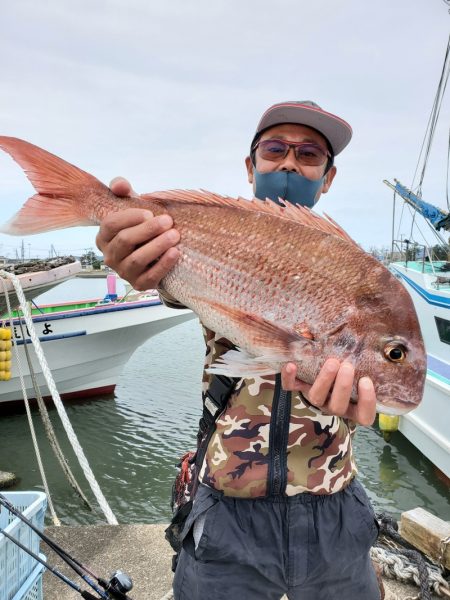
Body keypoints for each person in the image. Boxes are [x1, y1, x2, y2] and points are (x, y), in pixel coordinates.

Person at [96, 101, 381, 600]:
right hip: (226, 509)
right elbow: (166, 273)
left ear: (328, 177)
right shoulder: (216, 240)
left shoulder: (357, 270)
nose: (290, 164)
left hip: (333, 509)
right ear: (251, 168)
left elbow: (377, 374)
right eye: (275, 149)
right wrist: (135, 257)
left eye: (309, 154)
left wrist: (366, 403)